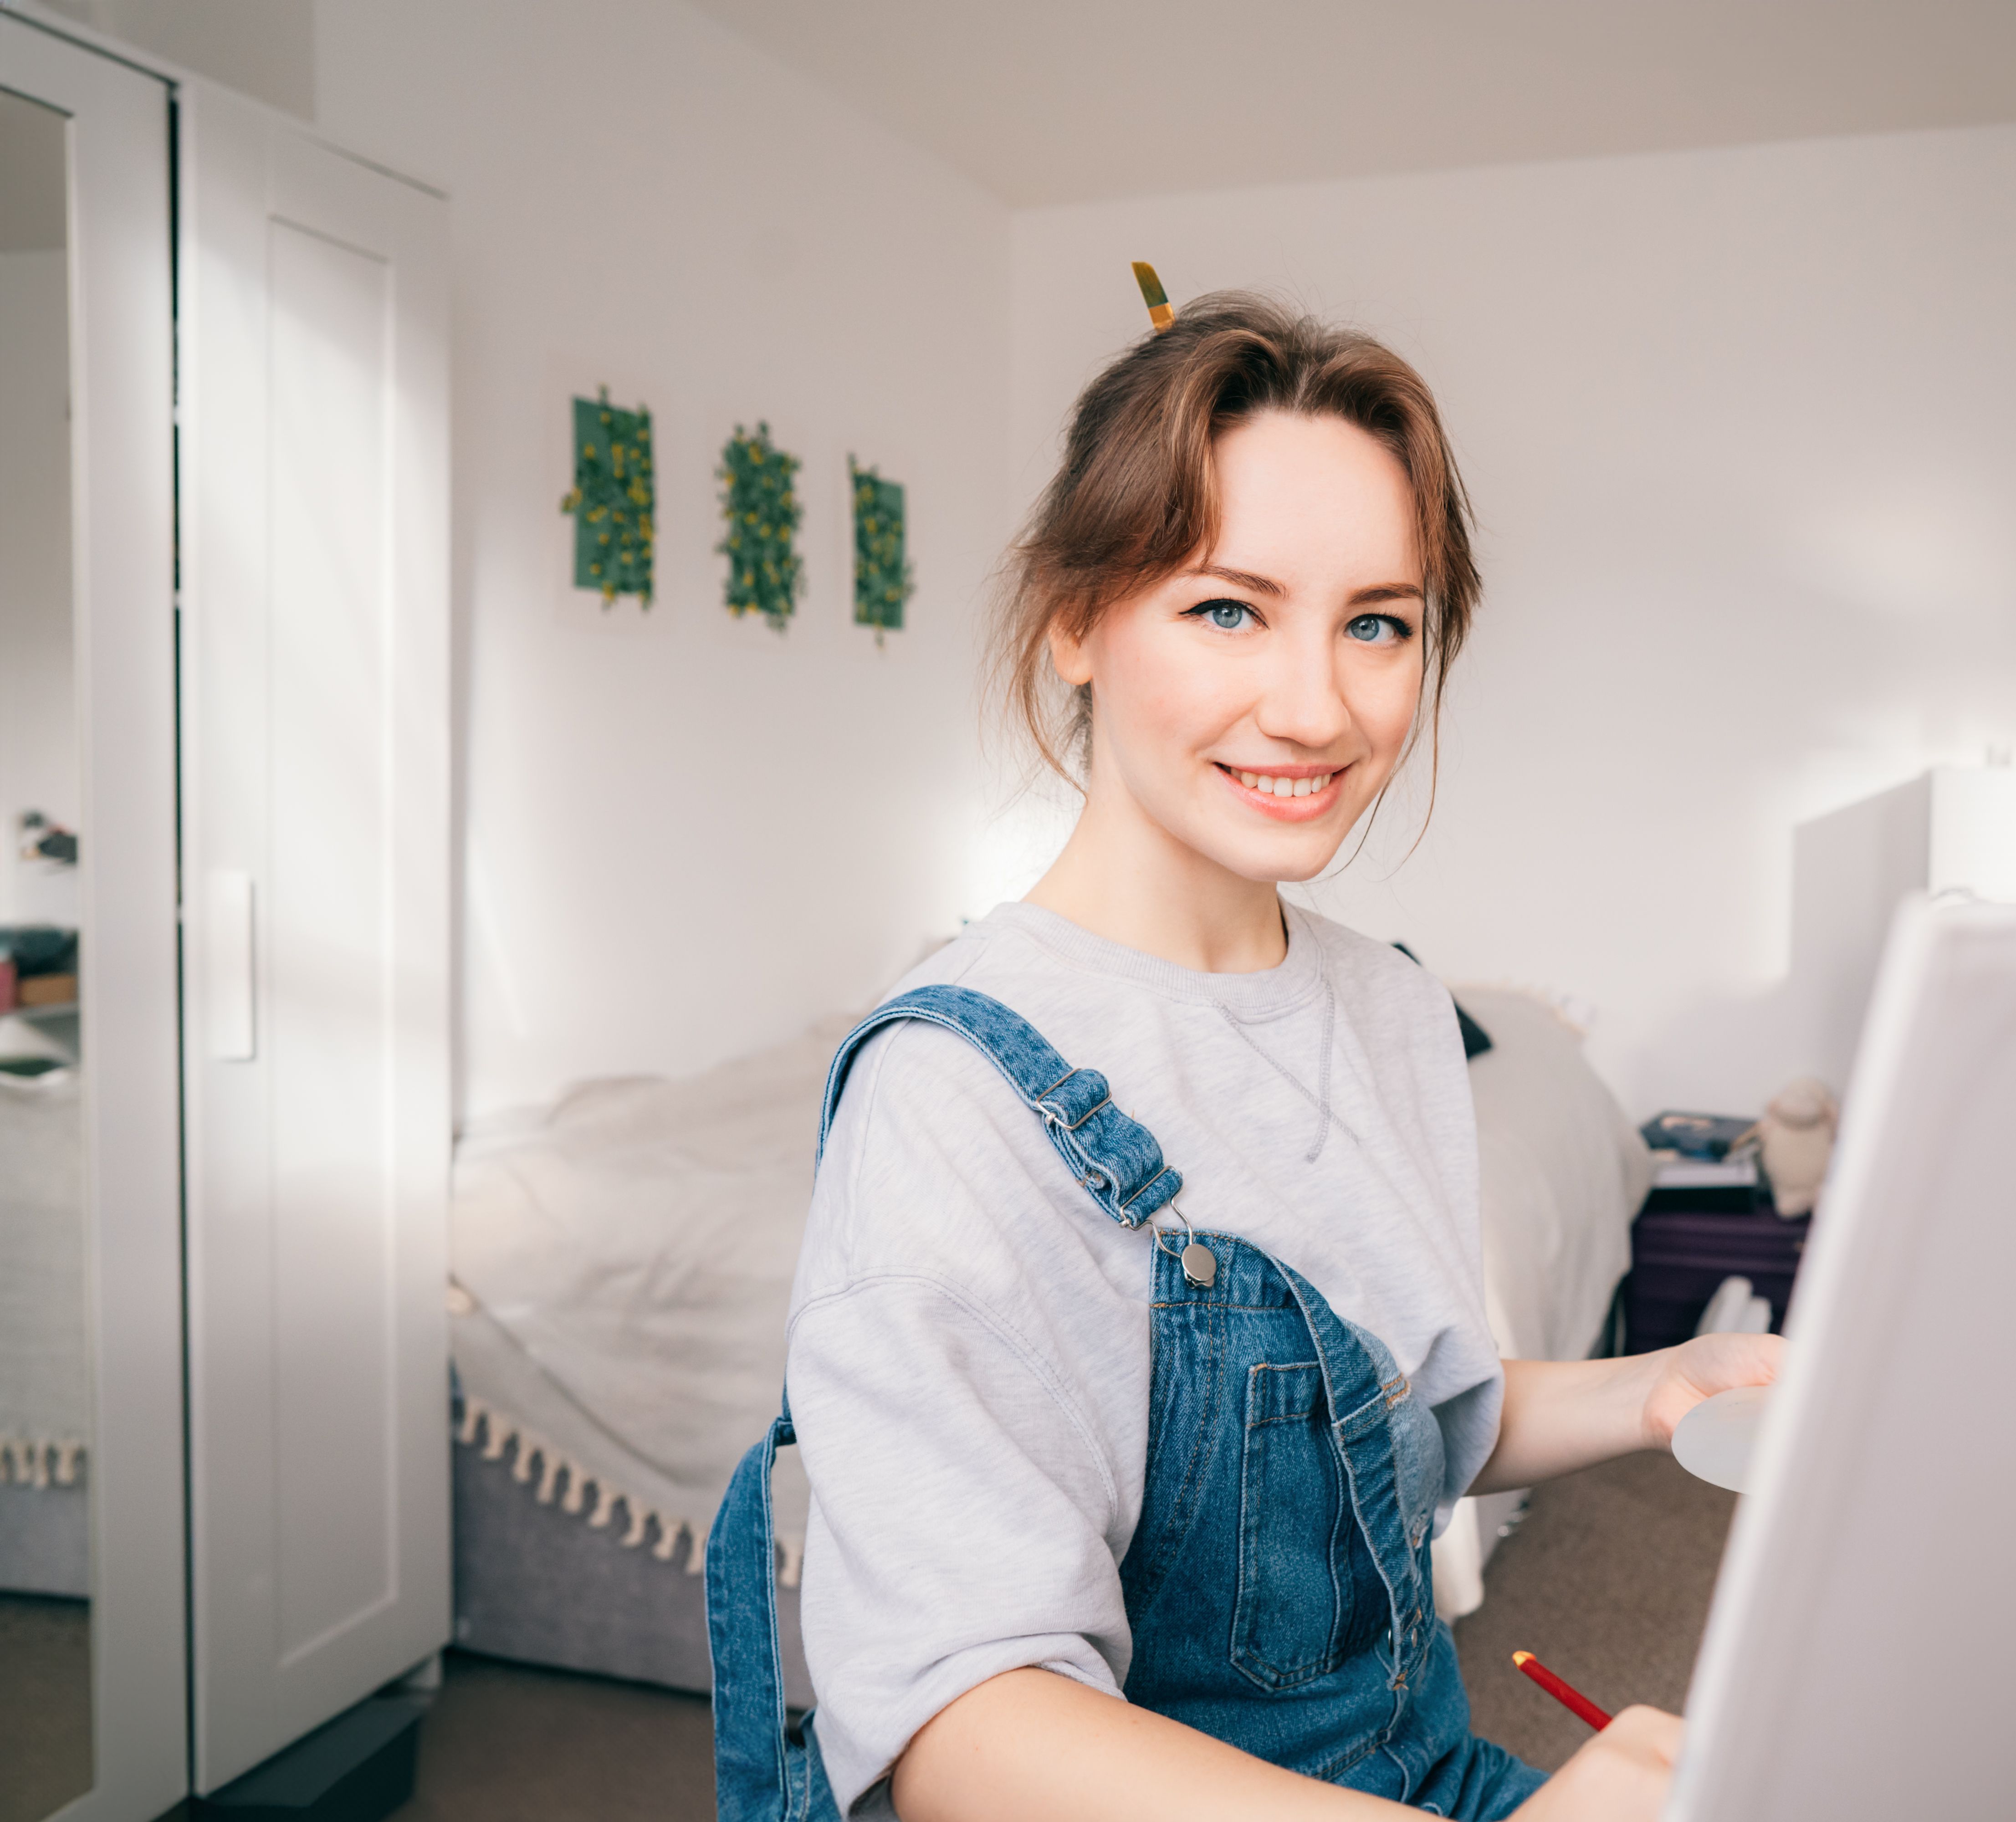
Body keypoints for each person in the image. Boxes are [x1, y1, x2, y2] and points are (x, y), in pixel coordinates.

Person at [709, 292, 1783, 1822]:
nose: (1317, 706)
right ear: (1076, 620)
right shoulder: (952, 1094)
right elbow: (966, 1729)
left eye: (1378, 625)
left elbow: (1401, 1427)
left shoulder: (1400, 1011)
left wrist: (1669, 1383)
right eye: (1228, 608)